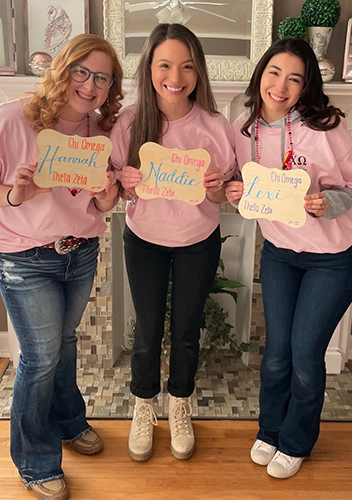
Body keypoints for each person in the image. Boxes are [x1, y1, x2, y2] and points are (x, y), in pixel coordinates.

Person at [0, 34, 124, 500]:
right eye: (80, 72)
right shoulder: (11, 118)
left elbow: (98, 201)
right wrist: (13, 194)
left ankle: (69, 421)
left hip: (79, 250)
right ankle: (35, 461)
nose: (89, 86)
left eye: (101, 78)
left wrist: (108, 198)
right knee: (41, 355)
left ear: (111, 87)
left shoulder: (99, 134)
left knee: (63, 343)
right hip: (22, 256)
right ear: (61, 70)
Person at [225, 38, 352, 479]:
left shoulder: (327, 127)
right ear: (260, 74)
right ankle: (270, 431)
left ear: (307, 86)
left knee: (306, 354)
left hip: (334, 257)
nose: (281, 85)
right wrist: (233, 192)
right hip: (281, 254)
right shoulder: (242, 129)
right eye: (274, 72)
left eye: (295, 78)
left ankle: (296, 441)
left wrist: (330, 202)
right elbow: (241, 186)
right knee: (276, 353)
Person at [110, 23, 235, 462]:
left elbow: (224, 194)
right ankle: (144, 405)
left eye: (186, 66)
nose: (175, 76)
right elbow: (111, 190)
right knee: (146, 331)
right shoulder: (128, 122)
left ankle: (179, 402)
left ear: (198, 71)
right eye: (165, 65)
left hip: (197, 240)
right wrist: (124, 181)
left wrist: (218, 186)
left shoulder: (217, 127)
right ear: (149, 68)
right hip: (144, 239)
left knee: (185, 331)